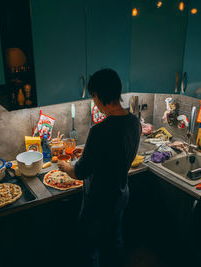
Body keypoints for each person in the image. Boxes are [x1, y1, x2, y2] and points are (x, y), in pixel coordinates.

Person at [58, 68, 141, 267]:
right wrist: (88, 154)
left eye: (93, 97)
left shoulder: (99, 131)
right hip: (120, 194)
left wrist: (65, 166)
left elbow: (80, 172)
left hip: (98, 202)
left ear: (98, 95)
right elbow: (114, 155)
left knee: (89, 249)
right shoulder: (134, 123)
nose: (94, 102)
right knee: (115, 242)